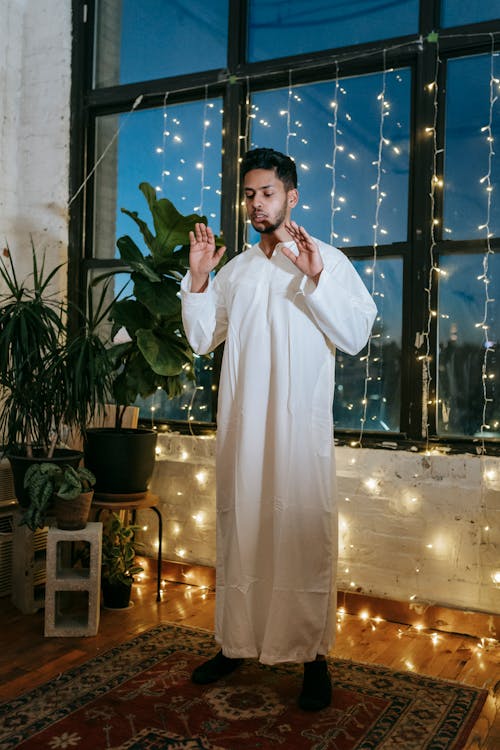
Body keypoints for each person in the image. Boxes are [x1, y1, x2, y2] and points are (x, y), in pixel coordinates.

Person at [180, 147, 377, 711]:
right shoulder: (237, 270)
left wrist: (316, 277)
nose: (256, 203)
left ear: (292, 196)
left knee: (302, 535)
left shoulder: (327, 259)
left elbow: (356, 332)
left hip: (298, 430)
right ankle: (235, 643)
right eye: (249, 194)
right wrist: (198, 280)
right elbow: (202, 339)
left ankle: (313, 656)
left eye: (267, 193)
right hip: (243, 426)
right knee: (241, 529)